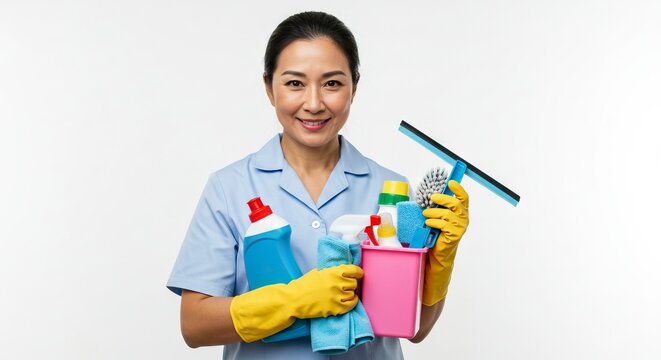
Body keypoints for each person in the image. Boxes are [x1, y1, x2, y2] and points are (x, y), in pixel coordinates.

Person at [166, 11, 469, 360]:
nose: (313, 103)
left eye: (332, 83)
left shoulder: (391, 190)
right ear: (269, 87)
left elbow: (416, 329)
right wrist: (293, 301)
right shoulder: (228, 188)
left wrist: (442, 261)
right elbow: (195, 325)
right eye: (295, 83)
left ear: (354, 87)